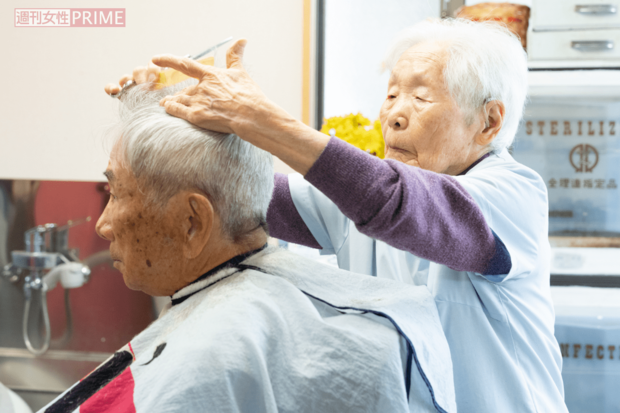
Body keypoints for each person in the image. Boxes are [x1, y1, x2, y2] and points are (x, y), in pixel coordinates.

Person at [107, 18, 568, 412]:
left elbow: (398, 205)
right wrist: (160, 110)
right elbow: (237, 196)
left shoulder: (513, 195)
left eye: (420, 99)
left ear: (488, 122)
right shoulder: (359, 198)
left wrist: (261, 119)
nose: (394, 117)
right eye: (391, 96)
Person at [40, 83, 456, 413]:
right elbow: (235, 190)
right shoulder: (260, 318)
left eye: (117, 193)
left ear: (192, 223)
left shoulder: (211, 358)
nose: (102, 224)